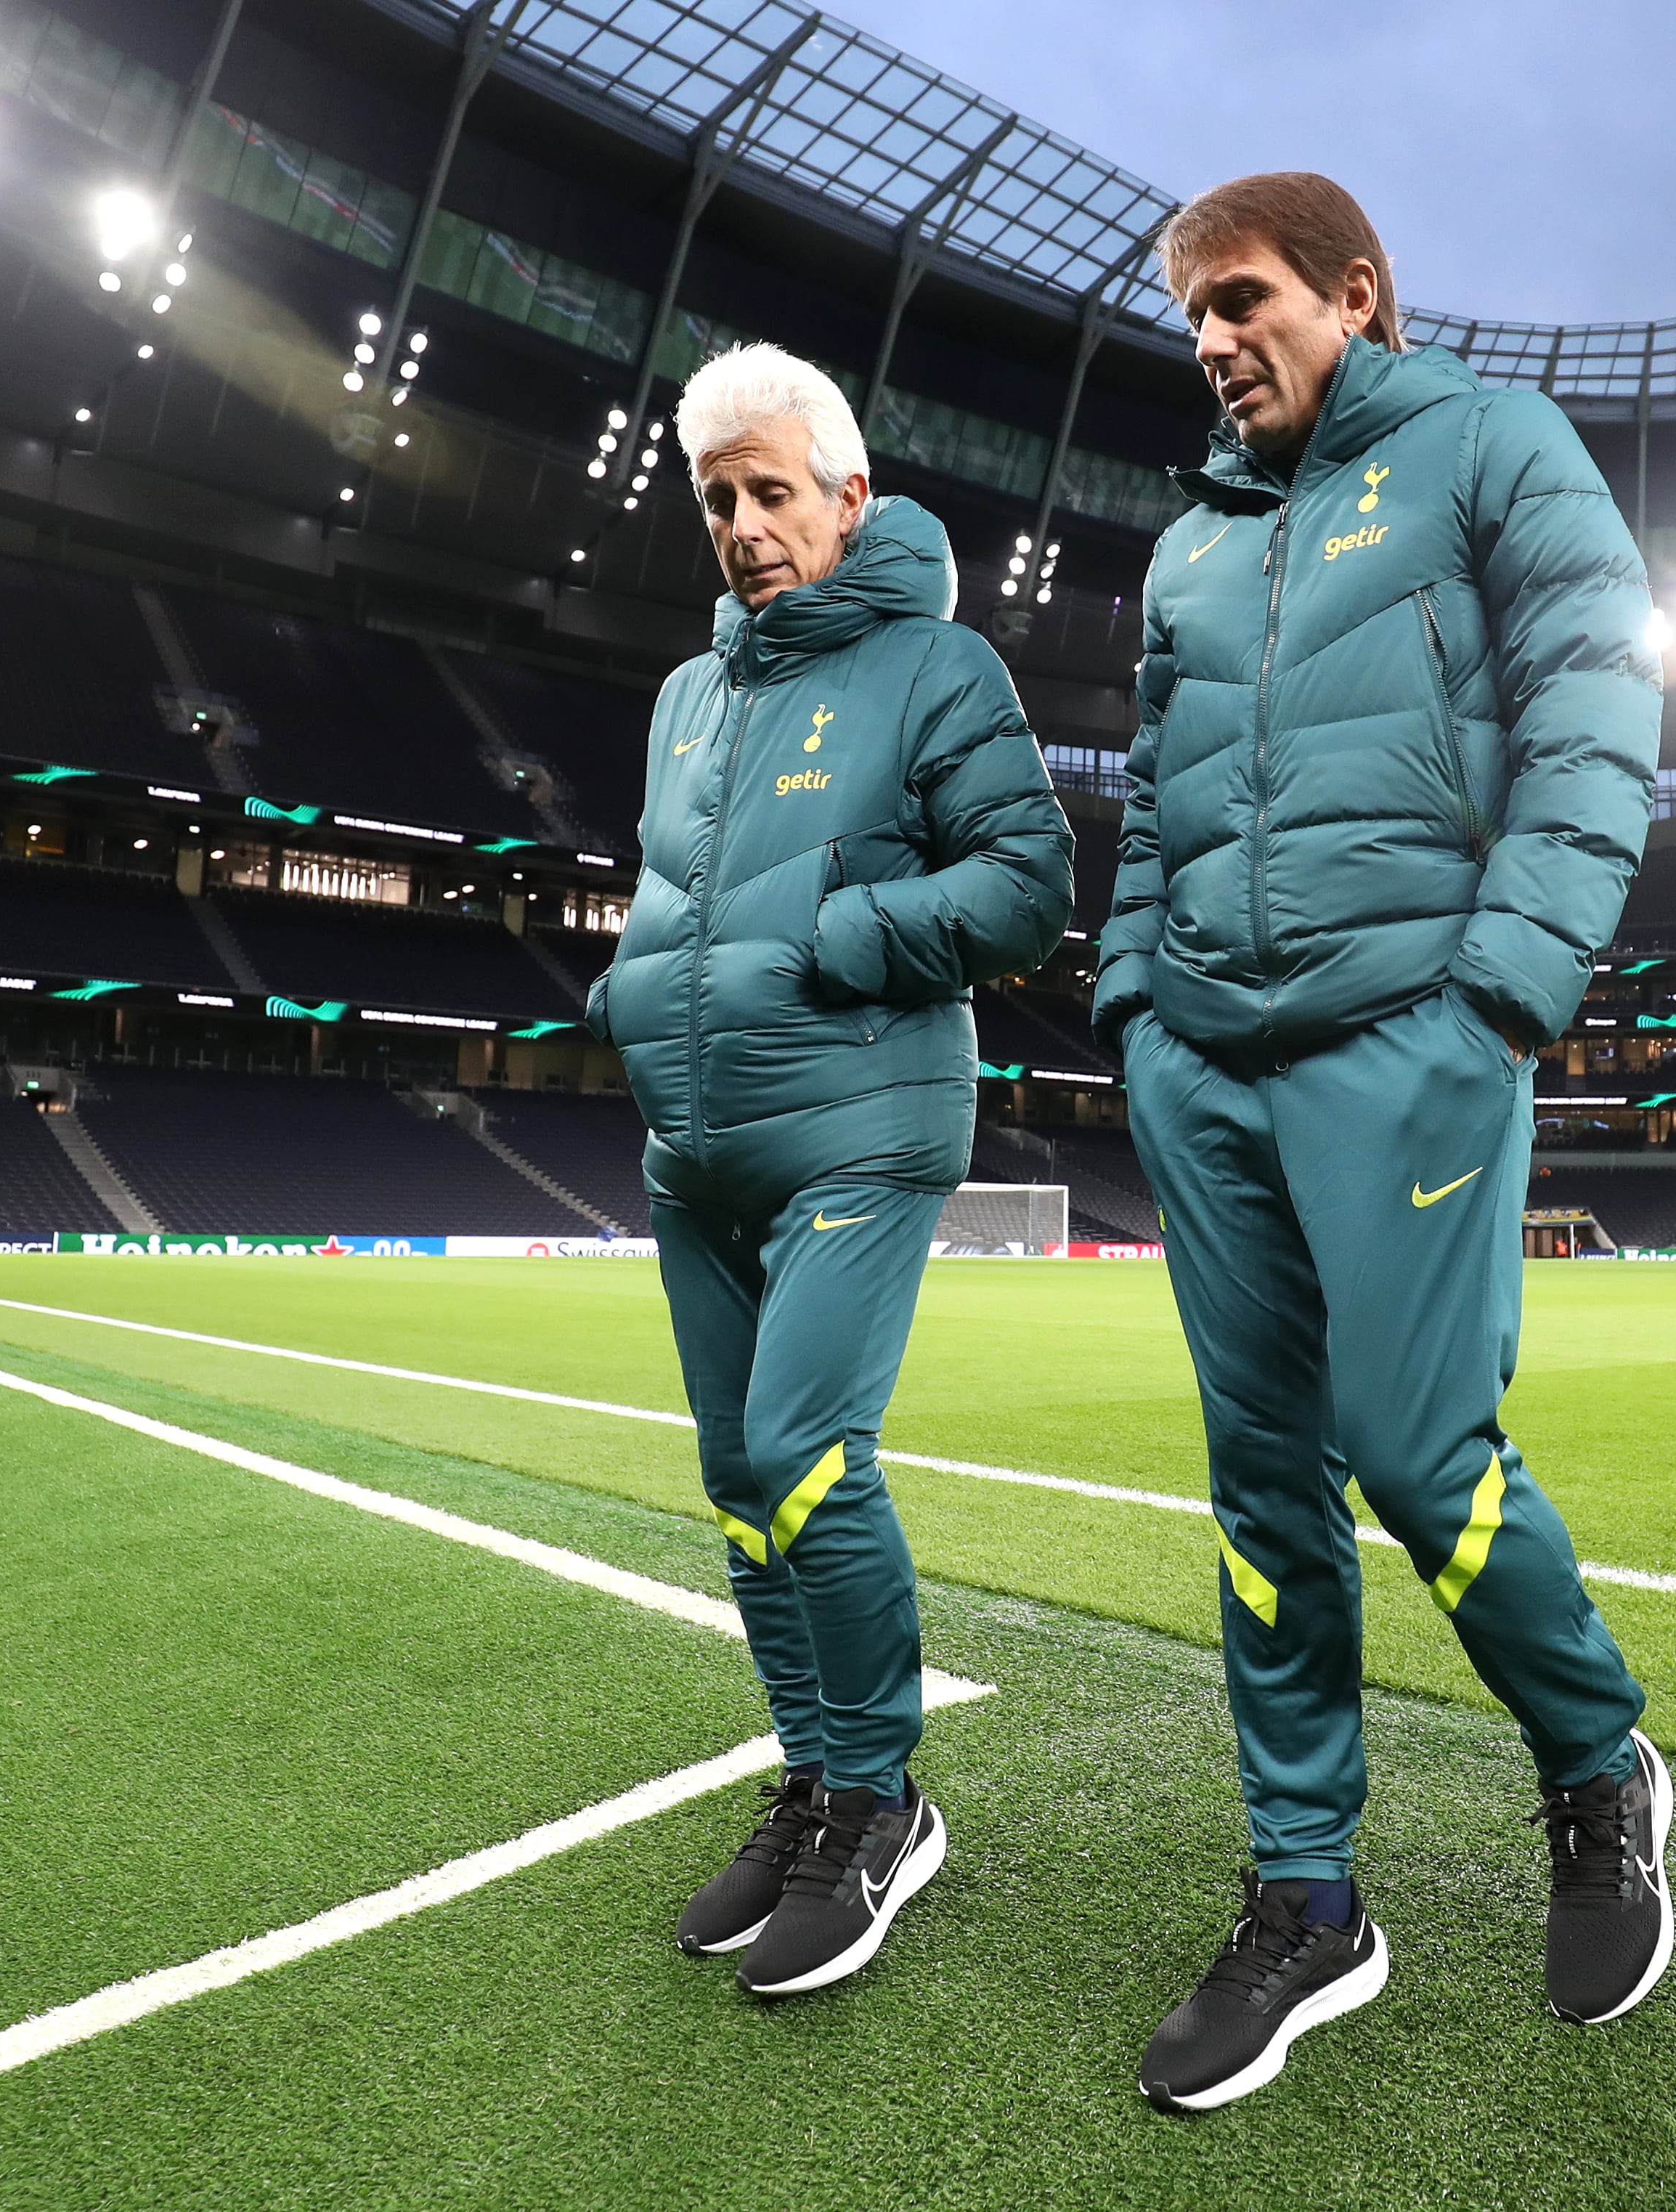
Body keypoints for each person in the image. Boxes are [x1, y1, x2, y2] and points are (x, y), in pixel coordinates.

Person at [1091, 174, 1671, 2111]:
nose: (1209, 337)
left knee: (1421, 1456)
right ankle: (1308, 1897)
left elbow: (1599, 695)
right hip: (1206, 1070)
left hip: (1411, 1040)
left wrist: (1502, 992)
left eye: (1239, 298)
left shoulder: (1495, 446)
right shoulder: (1186, 550)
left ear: (1355, 293)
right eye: (1188, 315)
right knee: (1264, 1497)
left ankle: (1596, 1759)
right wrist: (1133, 1004)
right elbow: (1153, 810)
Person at [591, 342, 1072, 1998]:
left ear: (850, 499)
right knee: (737, 1480)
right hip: (694, 1145)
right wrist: (634, 989)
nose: (740, 523)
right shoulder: (682, 696)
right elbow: (678, 895)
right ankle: (809, 1780)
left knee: (803, 1450)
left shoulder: (940, 668)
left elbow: (1026, 886)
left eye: (771, 491)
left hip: (862, 1125)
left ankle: (882, 1795)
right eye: (716, 497)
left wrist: (838, 934)